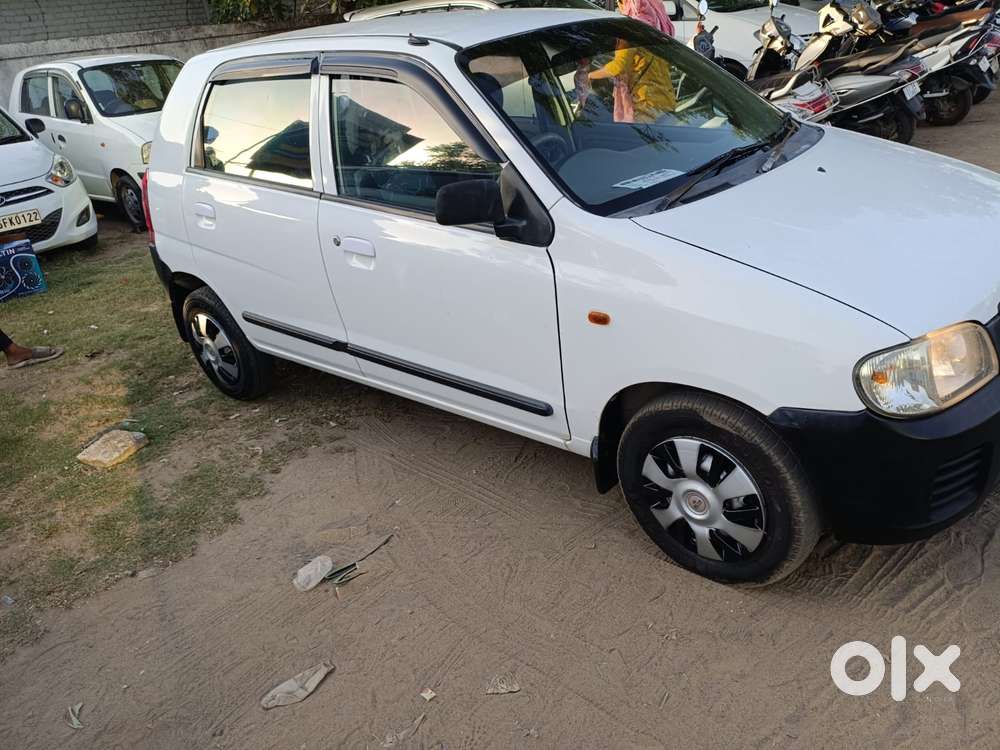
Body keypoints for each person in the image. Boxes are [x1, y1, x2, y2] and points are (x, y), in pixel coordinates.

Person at [587, 0, 677, 123]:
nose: (619, 6)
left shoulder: (630, 30)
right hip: (666, 100)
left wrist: (589, 76)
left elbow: (618, 66)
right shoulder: (656, 27)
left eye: (619, 2)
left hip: (645, 104)